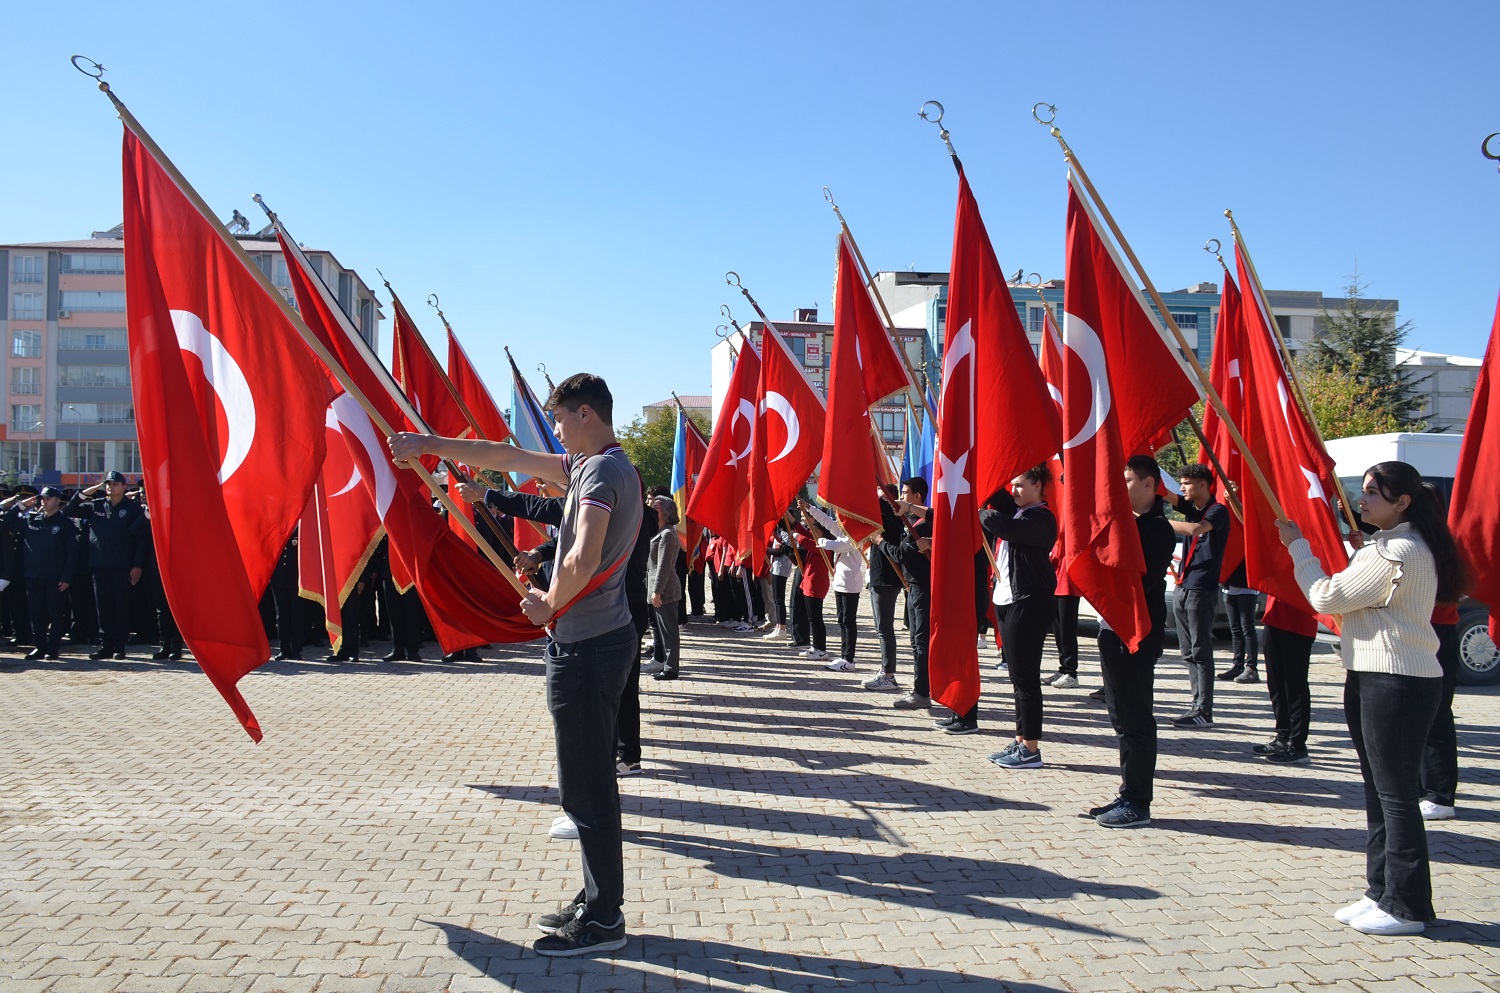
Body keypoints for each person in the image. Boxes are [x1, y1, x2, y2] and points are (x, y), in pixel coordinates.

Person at [390, 372, 640, 957]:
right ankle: (599, 898)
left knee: (588, 789)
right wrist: (428, 446)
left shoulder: (601, 472)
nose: (554, 431)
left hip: (587, 643)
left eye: (559, 419)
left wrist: (548, 603)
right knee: (590, 783)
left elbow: (580, 553)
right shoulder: (593, 465)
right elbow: (504, 455)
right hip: (595, 639)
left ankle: (605, 922)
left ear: (585, 414)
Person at [1280, 461, 1467, 937]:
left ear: (1402, 502)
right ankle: (1380, 891)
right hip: (1377, 674)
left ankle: (1406, 906)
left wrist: (1298, 547)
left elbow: (1325, 597)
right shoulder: (1391, 546)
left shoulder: (1396, 550)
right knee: (1380, 791)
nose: (1361, 501)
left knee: (1396, 796)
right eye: (1362, 491)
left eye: (1372, 493)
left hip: (1395, 679)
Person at [1088, 455, 1176, 827]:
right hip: (1111, 629)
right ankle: (1127, 792)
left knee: (1136, 718)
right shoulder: (1123, 524)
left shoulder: (1157, 529)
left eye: (1126, 480)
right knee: (1120, 716)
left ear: (1149, 484)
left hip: (1136, 633)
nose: (1119, 487)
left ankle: (1139, 802)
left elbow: (1139, 581)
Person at [981, 465, 1059, 769]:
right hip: (1008, 600)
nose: (1013, 491)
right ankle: (1020, 739)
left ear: (1039, 485)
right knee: (1017, 677)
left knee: (1026, 679)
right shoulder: (1017, 511)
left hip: (1029, 602)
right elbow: (993, 495)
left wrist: (979, 511)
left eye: (1020, 485)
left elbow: (1003, 526)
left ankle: (1031, 748)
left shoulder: (1041, 517)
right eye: (1012, 485)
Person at [1168, 462, 1231, 727]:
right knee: (1187, 652)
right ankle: (1196, 705)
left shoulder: (1216, 511)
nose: (1182, 487)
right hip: (1183, 585)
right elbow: (1165, 494)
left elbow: (1195, 529)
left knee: (1201, 650)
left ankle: (1204, 710)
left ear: (1203, 485)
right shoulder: (1190, 507)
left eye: (1187, 482)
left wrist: (1160, 522)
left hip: (1202, 588)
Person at [64, 470, 147, 660]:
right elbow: (69, 511)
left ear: (124, 487)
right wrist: (87, 492)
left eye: (115, 484)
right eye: (108, 484)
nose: (111, 487)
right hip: (99, 565)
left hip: (122, 566)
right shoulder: (96, 505)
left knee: (121, 607)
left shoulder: (133, 508)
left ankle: (119, 646)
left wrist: (137, 565)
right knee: (103, 607)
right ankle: (105, 646)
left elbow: (140, 540)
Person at [3, 487, 80, 661]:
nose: (44, 502)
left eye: (49, 498)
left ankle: (52, 648)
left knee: (55, 614)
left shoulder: (65, 524)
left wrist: (66, 577)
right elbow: (7, 522)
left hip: (55, 578)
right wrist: (21, 506)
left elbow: (71, 554)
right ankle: (39, 646)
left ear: (57, 501)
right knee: (36, 614)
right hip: (33, 576)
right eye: (43, 499)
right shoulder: (32, 520)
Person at [881, 479, 935, 716]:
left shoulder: (922, 525)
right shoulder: (911, 521)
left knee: (921, 642)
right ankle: (920, 688)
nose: (901, 498)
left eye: (905, 494)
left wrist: (879, 542)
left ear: (918, 497)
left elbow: (901, 554)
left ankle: (922, 692)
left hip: (923, 587)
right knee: (915, 641)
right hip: (912, 586)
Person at [1254, 595, 1318, 765]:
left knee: (1294, 686)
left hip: (1298, 621)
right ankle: (1283, 736)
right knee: (1276, 684)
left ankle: (1298, 746)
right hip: (1274, 617)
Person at [805, 500, 865, 673]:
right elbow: (827, 522)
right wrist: (811, 509)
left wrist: (823, 542)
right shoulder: (844, 530)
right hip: (840, 581)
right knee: (842, 621)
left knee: (848, 622)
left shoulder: (856, 532)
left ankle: (849, 658)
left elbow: (842, 545)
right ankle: (844, 656)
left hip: (850, 583)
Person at [862, 484, 906, 693]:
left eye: (881, 497)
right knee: (881, 629)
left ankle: (889, 675)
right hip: (878, 578)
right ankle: (885, 671)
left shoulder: (893, 517)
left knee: (885, 629)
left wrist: (878, 497)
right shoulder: (885, 515)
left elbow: (881, 510)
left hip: (887, 579)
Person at [1420, 603, 1462, 820]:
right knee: (1413, 718)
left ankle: (1440, 797)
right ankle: (1420, 790)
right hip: (1415, 627)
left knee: (1436, 718)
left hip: (1436, 626)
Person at [644, 496, 683, 682]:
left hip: (665, 590)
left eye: (656, 507)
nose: (652, 509)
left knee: (669, 633)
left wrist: (657, 590)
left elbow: (664, 565)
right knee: (663, 631)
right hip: (658, 589)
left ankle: (671, 669)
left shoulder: (667, 534)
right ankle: (668, 666)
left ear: (666, 512)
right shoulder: (659, 532)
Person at [1218, 562, 1261, 683]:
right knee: (1235, 629)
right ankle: (1237, 665)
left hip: (1246, 587)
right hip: (1229, 586)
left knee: (1247, 628)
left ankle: (1251, 668)